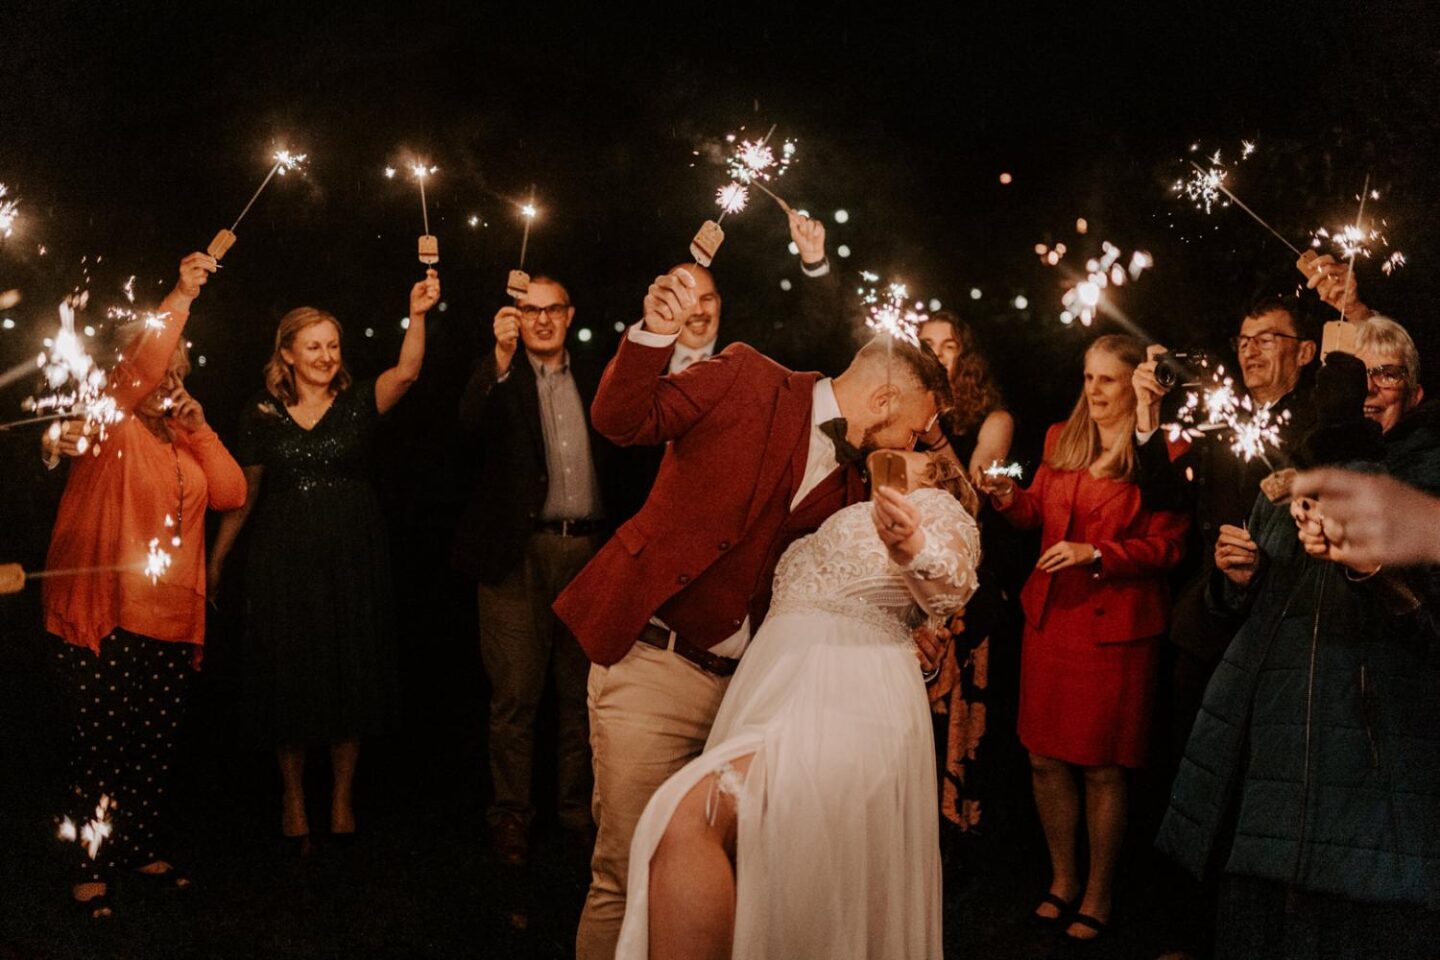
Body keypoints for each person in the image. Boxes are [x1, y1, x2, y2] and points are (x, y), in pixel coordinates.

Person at [553, 265, 951, 960]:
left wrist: (907, 631)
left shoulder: (861, 485)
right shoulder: (745, 375)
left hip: (759, 700)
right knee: (627, 874)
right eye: (915, 432)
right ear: (885, 398)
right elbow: (623, 420)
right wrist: (652, 334)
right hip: (658, 665)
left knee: (730, 873)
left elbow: (835, 581)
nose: (912, 448)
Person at [616, 452, 981, 959]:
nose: (902, 449)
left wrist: (910, 544)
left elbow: (953, 582)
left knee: (688, 819)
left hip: (846, 700)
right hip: (770, 692)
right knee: (768, 878)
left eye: (917, 451)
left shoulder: (935, 505)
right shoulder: (840, 508)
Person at [1156, 315, 1440, 959]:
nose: (1366, 389)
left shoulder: (1427, 482)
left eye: (1383, 374)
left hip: (1377, 791)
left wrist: (1373, 573)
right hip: (1272, 784)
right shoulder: (1287, 481)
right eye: (1351, 375)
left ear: (1416, 395)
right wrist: (1237, 578)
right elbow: (1241, 613)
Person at [207, 270, 440, 851]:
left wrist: (417, 312)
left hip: (351, 553)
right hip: (282, 557)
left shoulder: (359, 402)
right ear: (286, 353)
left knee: (349, 672)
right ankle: (292, 797)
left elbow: (407, 372)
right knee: (288, 677)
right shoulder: (260, 412)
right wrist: (215, 562)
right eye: (313, 346)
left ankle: (340, 797)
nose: (326, 356)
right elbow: (246, 494)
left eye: (333, 346)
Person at [44, 252, 242, 918]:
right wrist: (183, 292)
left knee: (152, 744)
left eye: (181, 369)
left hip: (169, 618)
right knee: (96, 746)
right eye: (164, 366)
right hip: (106, 616)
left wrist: (199, 425)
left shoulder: (183, 439)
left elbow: (232, 492)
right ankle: (88, 861)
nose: (170, 377)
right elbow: (144, 366)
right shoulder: (111, 425)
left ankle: (135, 847)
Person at [978, 333, 1188, 943]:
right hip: (1052, 620)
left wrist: (1097, 552)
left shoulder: (1164, 449)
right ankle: (1062, 879)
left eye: (1107, 380)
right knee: (1044, 759)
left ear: (1135, 386)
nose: (1092, 390)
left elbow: (1169, 548)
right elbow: (1035, 514)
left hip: (1115, 627)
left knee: (1101, 768)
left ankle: (1099, 891)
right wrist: (1007, 496)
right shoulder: (1058, 438)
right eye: (1088, 377)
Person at [452, 275, 632, 866]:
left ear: (570, 313)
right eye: (530, 311)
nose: (543, 320)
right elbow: (467, 427)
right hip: (515, 556)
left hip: (590, 553)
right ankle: (510, 819)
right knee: (514, 697)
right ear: (515, 317)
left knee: (583, 696)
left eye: (553, 309)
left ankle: (579, 815)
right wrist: (499, 359)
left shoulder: (600, 374)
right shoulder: (501, 377)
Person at [917, 310, 1016, 837]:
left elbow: (973, 498)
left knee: (952, 723)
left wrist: (933, 437)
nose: (935, 354)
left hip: (966, 588)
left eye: (947, 345)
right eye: (925, 344)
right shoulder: (902, 413)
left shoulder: (992, 419)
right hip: (910, 581)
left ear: (965, 355)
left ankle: (956, 831)